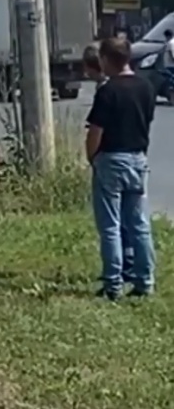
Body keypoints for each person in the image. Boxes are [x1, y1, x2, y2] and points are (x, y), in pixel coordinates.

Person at [86, 36, 157, 300]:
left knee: (110, 226)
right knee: (139, 224)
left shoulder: (108, 91)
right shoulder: (146, 87)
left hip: (111, 159)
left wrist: (92, 157)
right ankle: (145, 281)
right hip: (137, 158)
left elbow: (96, 131)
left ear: (106, 59)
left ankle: (113, 284)